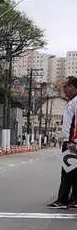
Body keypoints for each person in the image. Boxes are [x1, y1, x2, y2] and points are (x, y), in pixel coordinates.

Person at [47, 76, 77, 209]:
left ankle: (65, 200)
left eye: (66, 86)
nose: (64, 90)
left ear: (73, 86)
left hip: (72, 142)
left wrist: (74, 141)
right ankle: (68, 199)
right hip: (69, 141)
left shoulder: (76, 102)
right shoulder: (72, 101)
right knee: (69, 171)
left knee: (69, 172)